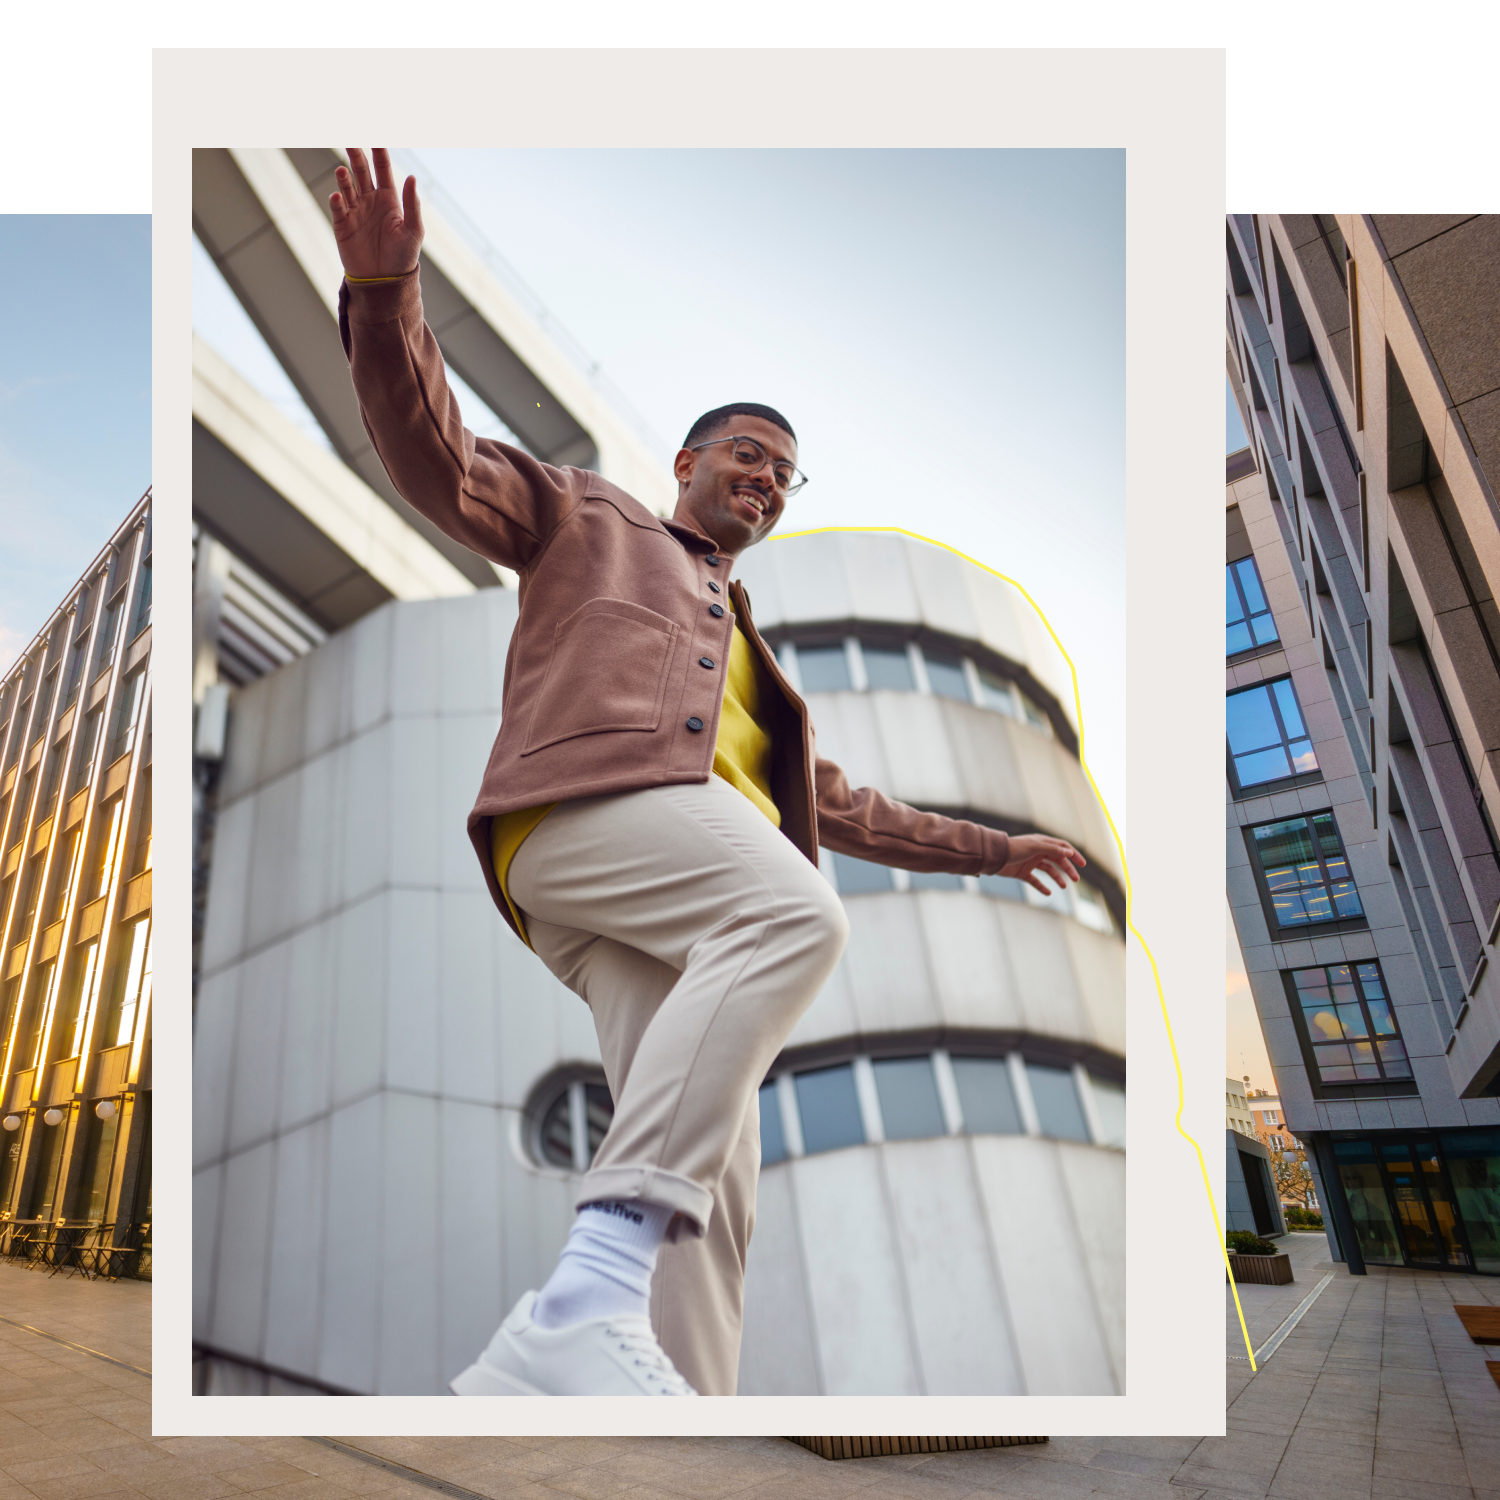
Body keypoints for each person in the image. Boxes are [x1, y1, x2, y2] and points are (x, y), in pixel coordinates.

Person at [330, 148, 1086, 1397]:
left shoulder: (756, 674)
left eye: (785, 475)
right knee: (793, 913)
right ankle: (588, 1290)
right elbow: (437, 458)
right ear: (685, 466)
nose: (766, 478)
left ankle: (663, 1416)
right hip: (579, 824)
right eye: (746, 453)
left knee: (716, 1173)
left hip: (647, 909)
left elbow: (845, 809)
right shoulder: (589, 519)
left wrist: (996, 849)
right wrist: (386, 293)